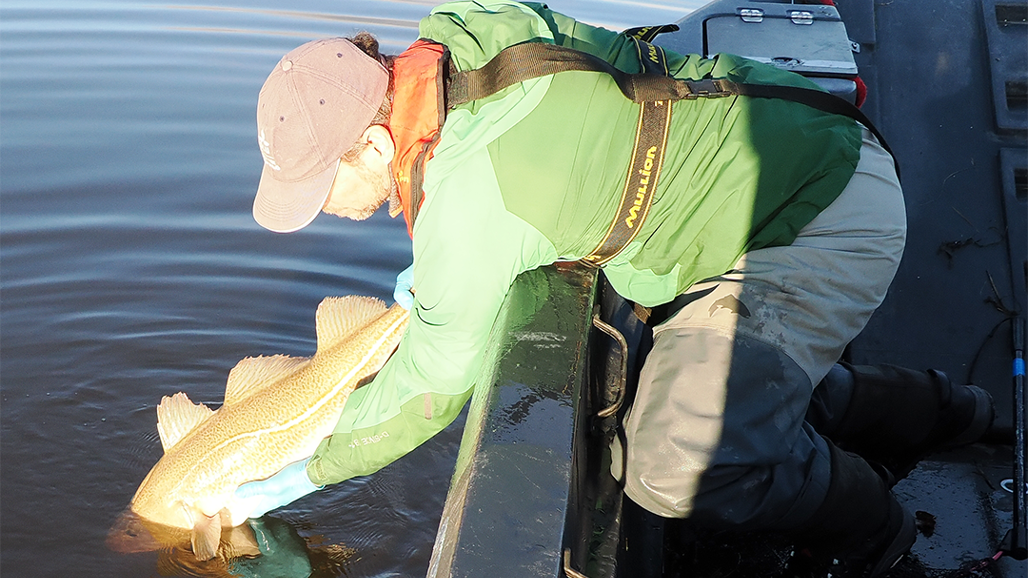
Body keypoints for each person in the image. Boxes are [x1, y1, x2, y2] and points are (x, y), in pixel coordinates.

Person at [235, 2, 994, 576]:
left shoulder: (474, 197)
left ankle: (879, 532)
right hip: (786, 145)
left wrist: (301, 469)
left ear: (372, 141)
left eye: (320, 188)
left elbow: (433, 387)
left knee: (680, 460)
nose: (324, 211)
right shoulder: (458, 37)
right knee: (726, 387)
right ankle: (956, 412)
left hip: (813, 215)